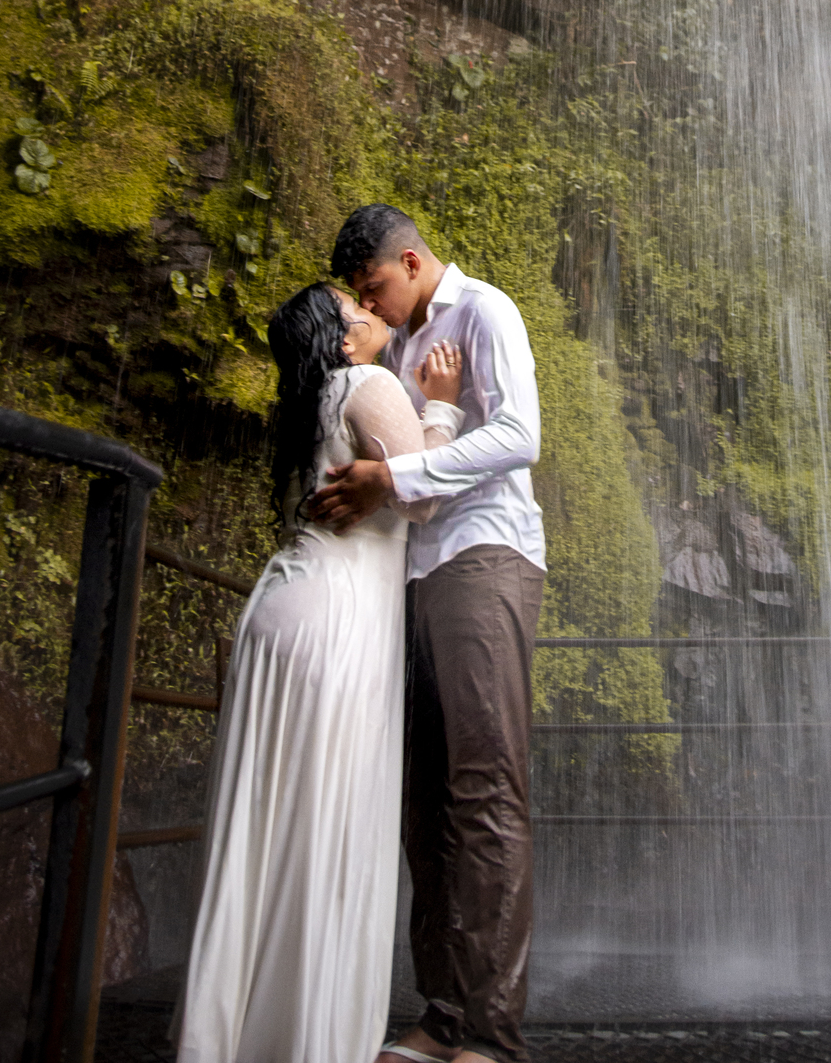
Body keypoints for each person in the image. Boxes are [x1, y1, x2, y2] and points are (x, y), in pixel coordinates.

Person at [174, 282, 464, 1063]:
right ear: (341, 341)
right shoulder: (367, 384)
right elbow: (424, 495)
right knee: (326, 821)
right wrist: (441, 405)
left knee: (267, 826)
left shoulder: (307, 401)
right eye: (356, 309)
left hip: (284, 613)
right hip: (336, 623)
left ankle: (230, 1038)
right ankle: (307, 1041)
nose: (373, 313)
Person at [307, 205, 546, 1063]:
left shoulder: (487, 310)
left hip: (485, 558)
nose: (370, 308)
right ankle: (443, 1014)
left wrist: (394, 474)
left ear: (409, 261)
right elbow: (407, 449)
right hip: (408, 575)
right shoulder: (397, 344)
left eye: (374, 288)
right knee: (426, 802)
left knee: (485, 790)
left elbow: (521, 435)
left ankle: (491, 1033)